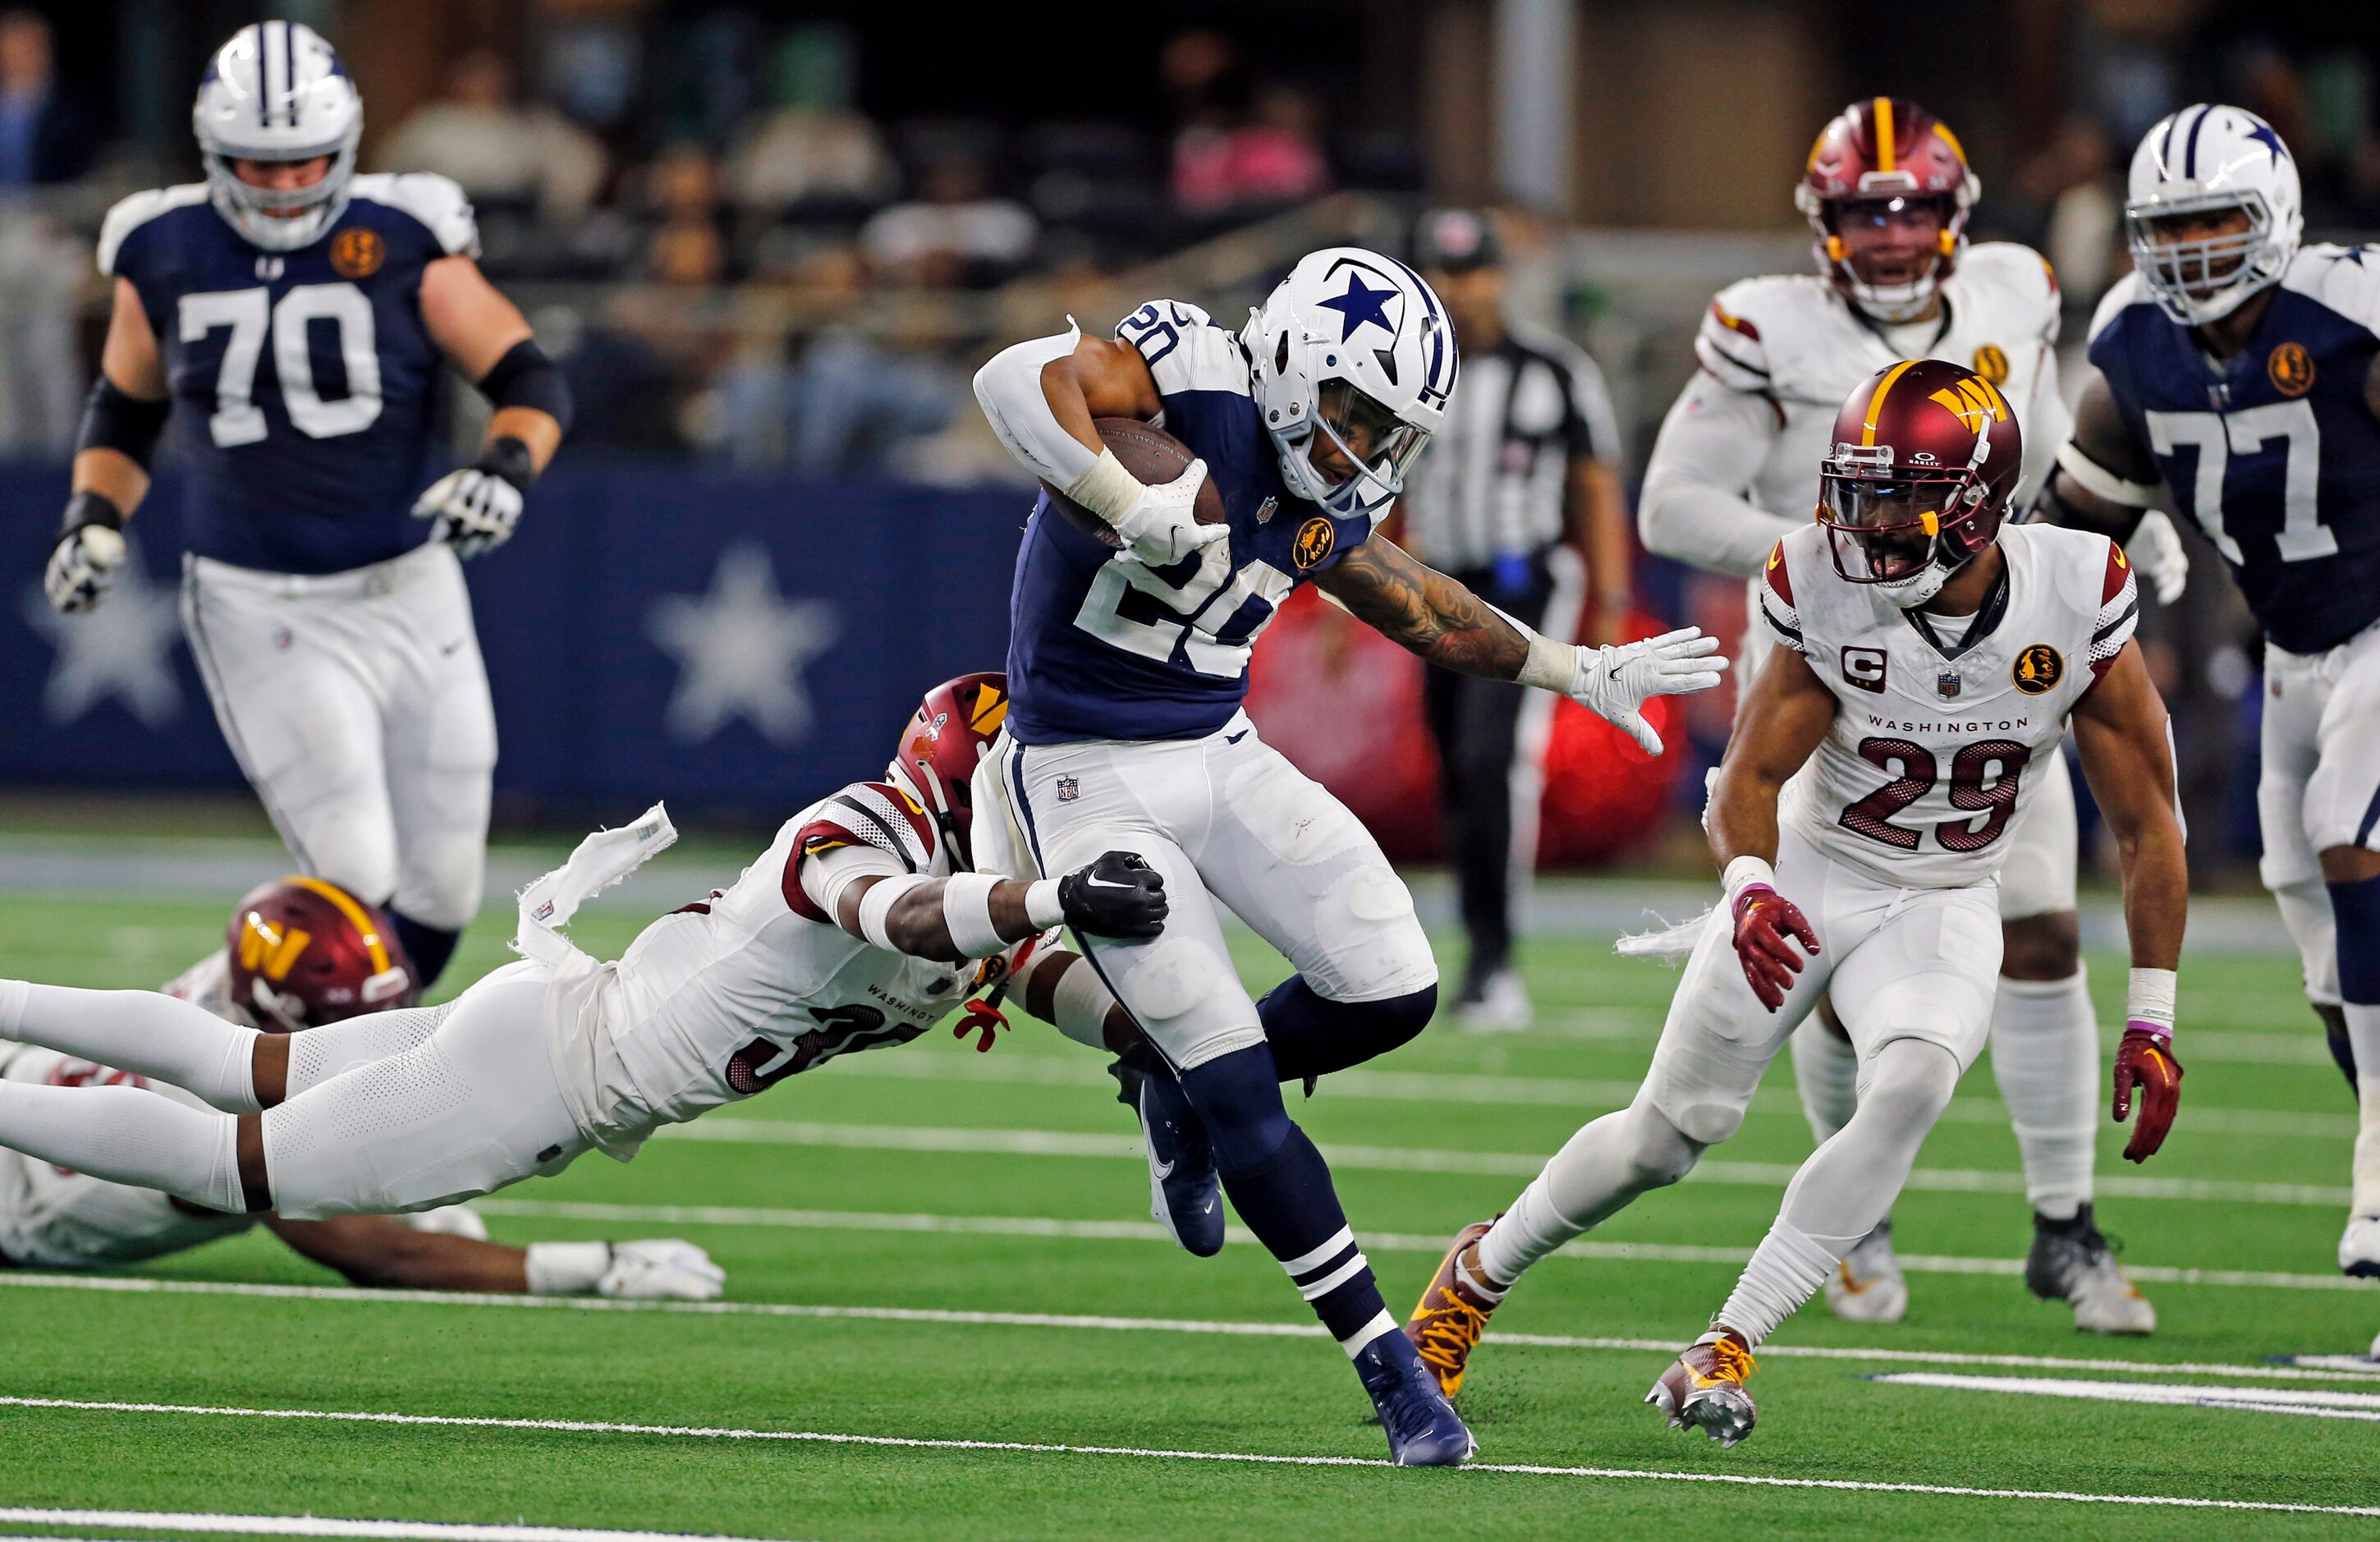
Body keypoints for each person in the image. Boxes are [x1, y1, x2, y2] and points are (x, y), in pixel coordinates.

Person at [969, 246, 1726, 1463]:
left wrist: (1576, 669)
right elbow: (1013, 378)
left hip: (1215, 744)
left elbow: (1419, 604)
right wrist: (1121, 495)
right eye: (1353, 410)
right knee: (1242, 1089)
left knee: (1389, 982)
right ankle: (1391, 1374)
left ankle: (1175, 1082)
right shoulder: (1190, 374)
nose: (1363, 446)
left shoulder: (1325, 491)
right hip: (1082, 767)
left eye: (1390, 427)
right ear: (1288, 366)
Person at [1405, 359, 2189, 1443]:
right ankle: (1472, 1276)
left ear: (1973, 506)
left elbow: (2148, 821)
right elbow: (1747, 782)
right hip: (1813, 875)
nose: (1862, 521)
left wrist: (2150, 1012)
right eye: (1855, 489)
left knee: (1912, 1079)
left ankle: (1723, 1342)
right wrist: (1748, 881)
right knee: (1665, 1138)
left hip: (1944, 892)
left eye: (1896, 497)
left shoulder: (2075, 590)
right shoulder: (1822, 577)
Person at [0, 677, 1164, 1301]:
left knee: (246, 1066)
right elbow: (898, 912)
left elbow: (1029, 970)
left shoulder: (972, 897)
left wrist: (1171, 1048)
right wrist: (1052, 895)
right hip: (542, 1080)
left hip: (543, 1032)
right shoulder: (858, 836)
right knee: (225, 1166)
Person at [1635, 96, 2181, 1333]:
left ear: (1956, 218)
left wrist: (2117, 517)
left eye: (1913, 211)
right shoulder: (1762, 324)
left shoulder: (2011, 289)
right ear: (1820, 223)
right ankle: (1855, 1220)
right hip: (1838, 672)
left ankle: (2064, 1225)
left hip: (1999, 655)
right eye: (1863, 214)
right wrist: (1843, 555)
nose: (1889, 240)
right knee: (1835, 969)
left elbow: (2034, 455)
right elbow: (1670, 504)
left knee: (2042, 930)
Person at [44, 22, 574, 995]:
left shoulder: (408, 231)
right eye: (260, 164)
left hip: (410, 584)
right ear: (213, 153)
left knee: (445, 888)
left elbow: (530, 380)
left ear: (347, 147)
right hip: (261, 599)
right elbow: (126, 407)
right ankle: (160, 1059)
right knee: (353, 877)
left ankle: (293, 1063)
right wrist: (93, 516)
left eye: (306, 165)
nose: (286, 187)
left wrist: (504, 469)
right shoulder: (163, 245)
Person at [2029, 107, 2380, 1321]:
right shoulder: (2132, 340)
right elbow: (2074, 528)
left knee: (2353, 828)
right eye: (2166, 228)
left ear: (2273, 213)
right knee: (2332, 966)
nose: (2187, 250)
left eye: (2213, 220)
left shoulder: (2349, 306)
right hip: (2290, 650)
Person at [3, 875, 719, 1300]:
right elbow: (378, 1253)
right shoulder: (220, 1106)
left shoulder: (230, 985)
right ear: (287, 1011)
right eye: (348, 1018)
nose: (372, 1029)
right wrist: (590, 1268)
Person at [1405, 207, 1633, 1030]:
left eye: (1471, 272)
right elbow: (1383, 488)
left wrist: (1608, 598)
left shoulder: (1554, 371)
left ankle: (1494, 961)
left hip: (1523, 583)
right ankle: (1475, 947)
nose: (1457, 290)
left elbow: (1595, 483)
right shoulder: (1408, 370)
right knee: (1455, 768)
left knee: (1490, 757)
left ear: (1500, 277)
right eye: (1443, 272)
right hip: (1430, 588)